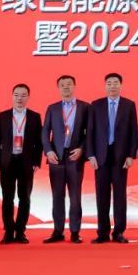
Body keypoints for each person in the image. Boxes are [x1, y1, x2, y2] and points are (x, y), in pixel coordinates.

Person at [86, 72, 138, 244]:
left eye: (115, 82)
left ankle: (119, 232)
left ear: (120, 85)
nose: (112, 86)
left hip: (120, 157)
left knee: (120, 196)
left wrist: (131, 155)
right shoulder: (96, 105)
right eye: (109, 83)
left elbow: (133, 132)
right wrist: (91, 154)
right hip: (101, 157)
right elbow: (90, 131)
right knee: (102, 196)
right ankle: (102, 232)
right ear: (105, 85)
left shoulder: (129, 105)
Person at [0, 83, 43, 244]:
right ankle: (8, 232)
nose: (20, 98)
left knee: (24, 198)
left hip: (26, 162)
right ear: (12, 96)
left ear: (28, 97)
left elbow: (39, 142)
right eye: (16, 95)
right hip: (7, 161)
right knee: (7, 198)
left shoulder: (34, 117)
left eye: (23, 95)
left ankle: (20, 232)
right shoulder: (3, 116)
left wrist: (37, 161)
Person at [41, 74, 90, 244]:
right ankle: (58, 231)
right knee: (57, 196)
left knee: (75, 196)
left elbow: (90, 133)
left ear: (74, 86)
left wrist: (82, 149)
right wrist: (48, 151)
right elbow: (45, 133)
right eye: (63, 85)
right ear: (59, 88)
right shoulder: (53, 108)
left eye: (69, 84)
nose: (66, 87)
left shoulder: (85, 107)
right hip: (56, 157)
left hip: (75, 156)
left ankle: (75, 231)